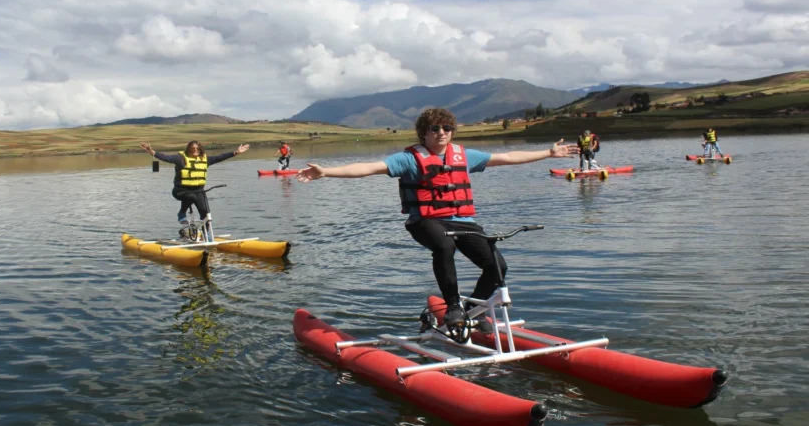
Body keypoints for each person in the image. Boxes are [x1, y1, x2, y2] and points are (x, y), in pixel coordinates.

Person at [296, 108, 579, 330]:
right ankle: (452, 305)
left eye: (447, 128)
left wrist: (548, 153)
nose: (442, 132)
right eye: (435, 128)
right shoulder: (408, 159)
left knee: (497, 266)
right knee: (444, 247)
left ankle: (473, 311)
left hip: (462, 222)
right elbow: (368, 167)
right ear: (424, 133)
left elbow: (507, 157)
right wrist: (326, 172)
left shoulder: (464, 156)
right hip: (425, 221)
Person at [140, 141, 250, 224]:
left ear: (201, 149)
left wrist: (236, 152)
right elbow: (165, 157)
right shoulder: (180, 158)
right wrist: (151, 152)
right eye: (192, 148)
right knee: (192, 196)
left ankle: (208, 236)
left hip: (199, 191)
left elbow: (219, 157)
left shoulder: (205, 159)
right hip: (180, 191)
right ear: (188, 149)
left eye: (197, 148)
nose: (195, 150)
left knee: (206, 214)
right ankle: (182, 213)